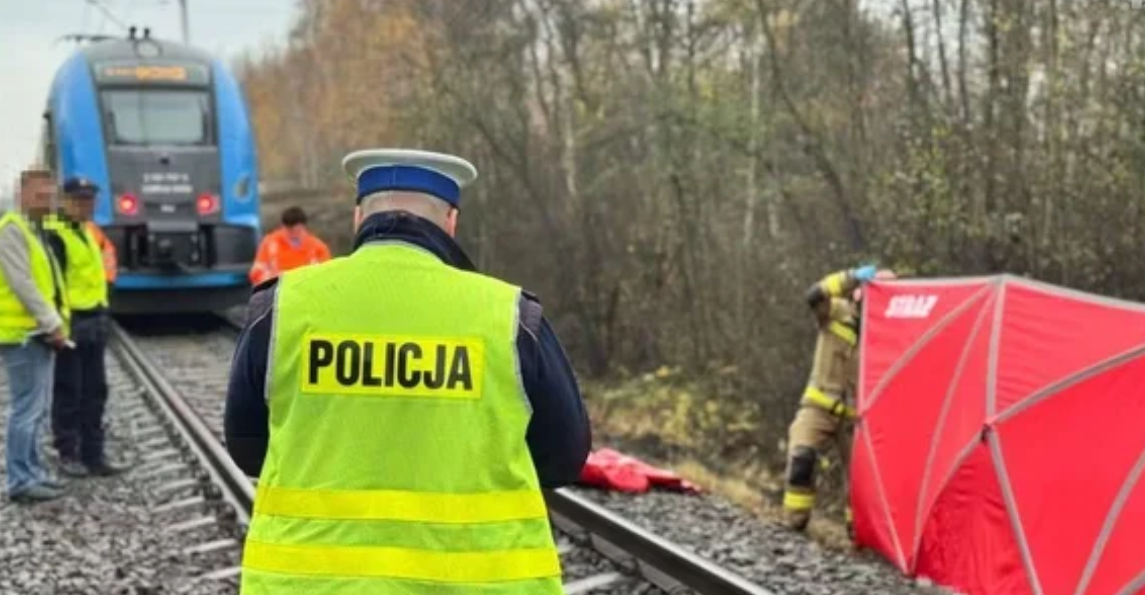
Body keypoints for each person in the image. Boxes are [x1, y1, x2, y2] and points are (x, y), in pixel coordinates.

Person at [224, 149, 591, 594]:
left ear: (360, 215)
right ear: (451, 220)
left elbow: (247, 448)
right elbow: (564, 459)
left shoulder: (278, 306)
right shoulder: (510, 316)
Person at [782, 264, 894, 534]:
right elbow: (814, 295)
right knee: (802, 459)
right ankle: (795, 523)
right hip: (818, 408)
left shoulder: (886, 333)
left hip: (855, 420)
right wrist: (851, 276)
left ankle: (857, 535)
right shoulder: (835, 311)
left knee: (862, 484)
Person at [42, 177, 124, 477]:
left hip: (94, 320)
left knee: (95, 390)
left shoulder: (88, 232)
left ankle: (93, 453)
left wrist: (105, 306)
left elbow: (100, 272)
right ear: (65, 201)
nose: (87, 205)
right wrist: (57, 327)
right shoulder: (55, 234)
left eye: (90, 200)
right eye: (80, 200)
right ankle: (68, 452)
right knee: (69, 390)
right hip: (71, 324)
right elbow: (52, 284)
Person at [0, 168, 71, 503]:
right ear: (23, 194)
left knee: (37, 408)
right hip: (23, 334)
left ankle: (33, 471)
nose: (47, 201)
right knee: (26, 409)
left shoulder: (34, 230)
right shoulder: (12, 230)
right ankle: (19, 480)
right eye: (40, 195)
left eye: (50, 195)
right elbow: (23, 284)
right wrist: (52, 323)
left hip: (35, 332)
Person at [248, 205, 331, 285]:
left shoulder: (318, 248)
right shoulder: (269, 244)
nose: (293, 234)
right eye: (289, 230)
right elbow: (256, 274)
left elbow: (326, 276)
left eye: (297, 230)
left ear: (303, 227)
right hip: (277, 292)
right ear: (283, 227)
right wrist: (275, 279)